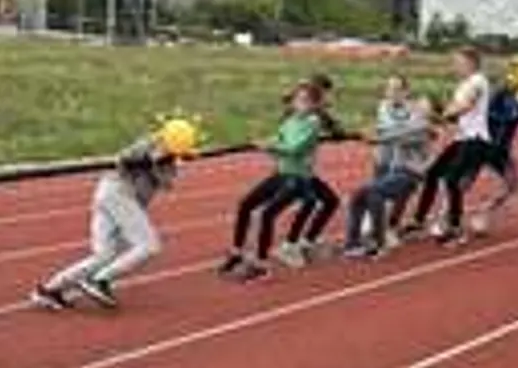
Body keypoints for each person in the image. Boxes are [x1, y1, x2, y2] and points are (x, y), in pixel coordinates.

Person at [32, 130, 183, 311]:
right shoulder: (143, 150)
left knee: (104, 255)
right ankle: (100, 280)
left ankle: (50, 290)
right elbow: (123, 161)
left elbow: (167, 183)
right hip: (118, 195)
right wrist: (148, 161)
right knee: (149, 246)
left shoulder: (165, 159)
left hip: (109, 194)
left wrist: (158, 164)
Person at [218, 82, 324, 282]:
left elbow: (294, 148)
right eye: (297, 99)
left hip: (298, 178)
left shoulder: (313, 123)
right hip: (281, 174)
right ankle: (236, 252)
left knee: (267, 214)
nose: (299, 104)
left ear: (314, 105)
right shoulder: (290, 120)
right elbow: (279, 137)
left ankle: (262, 265)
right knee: (245, 204)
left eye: (305, 101)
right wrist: (264, 141)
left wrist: (269, 146)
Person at [403, 47, 494, 243]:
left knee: (452, 180)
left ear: (470, 63)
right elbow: (455, 115)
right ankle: (418, 220)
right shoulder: (463, 84)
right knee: (433, 174)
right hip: (463, 138)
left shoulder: (478, 81)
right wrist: (435, 116)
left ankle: (455, 227)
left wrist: (440, 114)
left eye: (458, 62)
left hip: (476, 140)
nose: (454, 66)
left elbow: (466, 106)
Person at [340, 76, 434, 258]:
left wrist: (373, 138)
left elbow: (398, 136)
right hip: (395, 169)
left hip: (409, 174)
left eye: (423, 106)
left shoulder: (421, 127)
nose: (415, 106)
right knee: (358, 196)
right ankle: (352, 244)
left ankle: (379, 241)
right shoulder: (409, 118)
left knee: (375, 193)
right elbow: (390, 129)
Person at [274, 75, 348, 266]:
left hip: (301, 167)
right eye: (328, 95)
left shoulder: (314, 109)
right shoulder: (314, 110)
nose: (330, 100)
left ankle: (305, 241)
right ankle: (290, 245)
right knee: (311, 202)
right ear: (321, 93)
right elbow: (336, 130)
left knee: (327, 201)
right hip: (293, 168)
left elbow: (334, 128)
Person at [465, 72, 518, 235]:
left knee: (513, 184)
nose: (512, 85)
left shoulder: (513, 101)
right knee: (463, 183)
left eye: (514, 83)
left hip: (500, 152)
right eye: (507, 82)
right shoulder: (490, 103)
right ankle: (445, 217)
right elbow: (507, 117)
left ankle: (484, 212)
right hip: (481, 147)